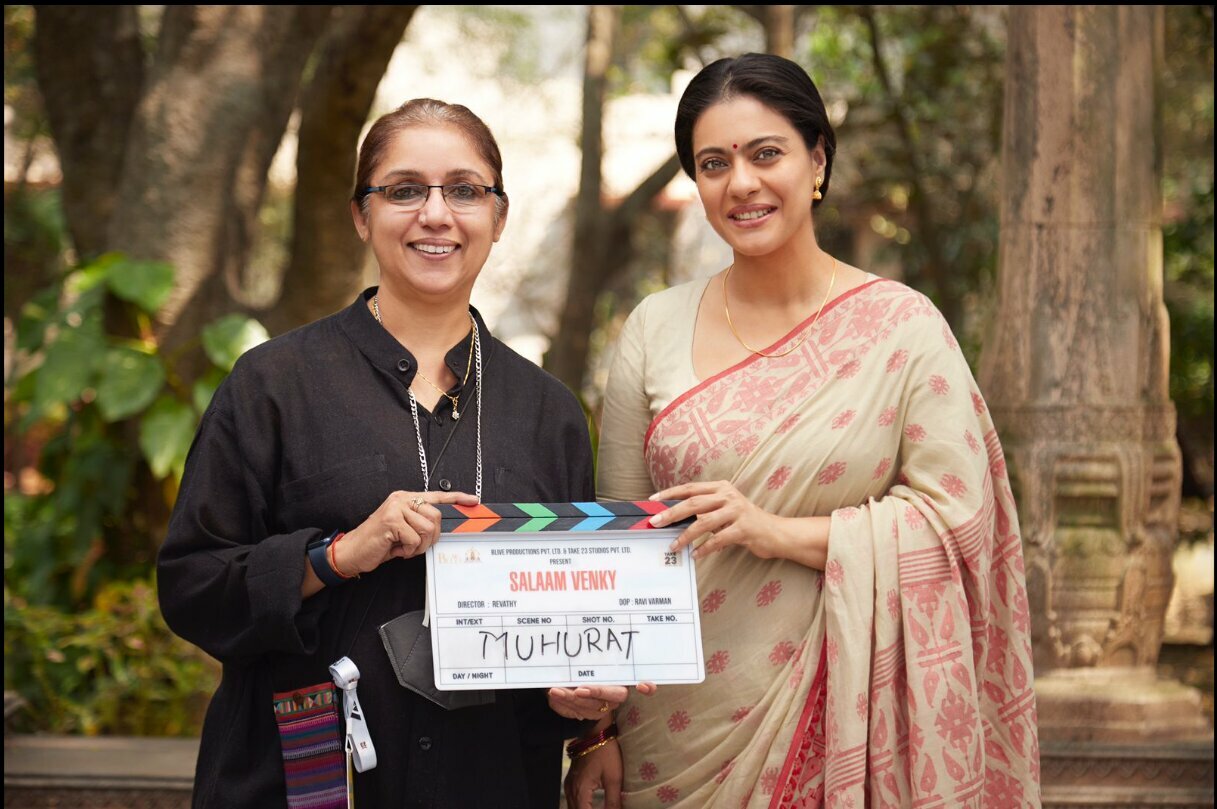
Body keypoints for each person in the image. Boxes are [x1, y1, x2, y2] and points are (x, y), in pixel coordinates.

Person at [571, 54, 1041, 808]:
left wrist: (773, 532)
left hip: (845, 717)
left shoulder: (902, 327)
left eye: (766, 154)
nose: (741, 183)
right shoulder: (653, 327)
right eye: (714, 163)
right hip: (674, 733)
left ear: (817, 160)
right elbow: (613, 548)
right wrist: (596, 734)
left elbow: (960, 519)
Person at [158, 98, 635, 809]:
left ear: (498, 216)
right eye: (405, 189)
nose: (436, 214)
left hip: (489, 781)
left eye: (464, 190)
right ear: (362, 215)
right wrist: (337, 554)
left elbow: (572, 621)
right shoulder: (273, 383)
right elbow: (193, 586)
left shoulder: (549, 412)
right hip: (301, 777)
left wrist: (586, 715)